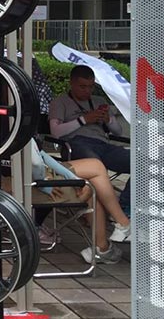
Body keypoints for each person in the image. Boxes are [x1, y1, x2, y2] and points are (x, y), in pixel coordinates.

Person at [48, 65, 131, 213]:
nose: (87, 91)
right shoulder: (60, 102)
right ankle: (106, 208)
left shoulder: (98, 101)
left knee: (140, 163)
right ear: (71, 83)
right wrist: (84, 120)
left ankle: (125, 207)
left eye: (91, 86)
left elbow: (118, 132)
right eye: (82, 87)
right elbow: (56, 132)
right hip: (75, 144)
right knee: (95, 165)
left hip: (103, 145)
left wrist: (108, 120)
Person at [32, 144, 131, 265]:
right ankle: (113, 236)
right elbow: (36, 161)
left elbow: (39, 154)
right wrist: (44, 184)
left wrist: (73, 178)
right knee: (92, 185)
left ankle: (115, 234)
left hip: (34, 177)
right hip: (35, 184)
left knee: (94, 174)